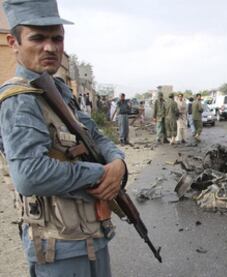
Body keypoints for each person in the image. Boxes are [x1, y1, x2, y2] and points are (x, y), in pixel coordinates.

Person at [0, 1, 126, 276]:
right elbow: (29, 175)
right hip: (59, 249)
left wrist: (118, 163)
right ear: (14, 42)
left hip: (92, 235)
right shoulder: (19, 100)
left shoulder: (59, 92)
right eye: (38, 38)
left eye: (57, 38)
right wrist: (99, 173)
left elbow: (96, 136)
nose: (50, 47)